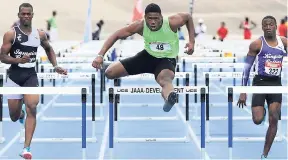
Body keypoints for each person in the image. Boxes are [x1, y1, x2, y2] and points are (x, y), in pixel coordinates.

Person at [92, 3, 195, 112]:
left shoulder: (172, 22)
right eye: (150, 19)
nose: (153, 22)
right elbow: (116, 35)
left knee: (165, 79)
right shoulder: (140, 25)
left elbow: (188, 17)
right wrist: (100, 55)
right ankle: (111, 65)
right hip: (147, 57)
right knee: (110, 73)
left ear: (161, 17)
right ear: (145, 18)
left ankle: (170, 98)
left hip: (166, 60)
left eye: (156, 18)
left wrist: (191, 42)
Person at [0, 3, 67, 159]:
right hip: (14, 77)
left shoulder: (40, 34)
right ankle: (20, 115)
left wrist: (55, 65)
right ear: (19, 15)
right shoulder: (11, 34)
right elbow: (2, 56)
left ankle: (26, 148)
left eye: (28, 14)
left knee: (32, 106)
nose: (25, 16)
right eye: (23, 14)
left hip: (30, 76)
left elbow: (49, 49)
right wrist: (17, 60)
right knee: (14, 116)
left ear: (32, 15)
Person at [237, 15, 287, 159]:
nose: (268, 27)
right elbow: (246, 68)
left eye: (271, 24)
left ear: (276, 26)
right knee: (257, 120)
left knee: (274, 117)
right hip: (260, 82)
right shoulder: (256, 44)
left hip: (275, 83)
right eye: (265, 25)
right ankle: (262, 112)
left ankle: (265, 153)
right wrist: (243, 91)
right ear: (262, 27)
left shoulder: (283, 42)